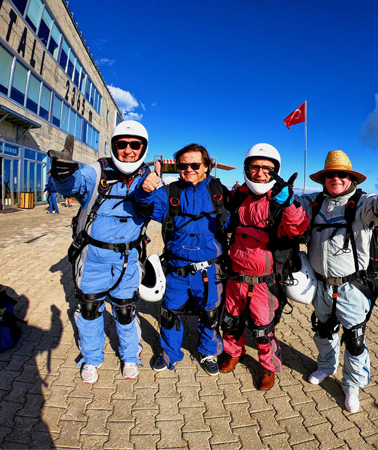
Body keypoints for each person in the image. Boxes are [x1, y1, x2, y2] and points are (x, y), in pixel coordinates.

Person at [295, 150, 378, 413]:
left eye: (342, 174)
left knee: (355, 339)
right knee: (324, 331)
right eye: (330, 175)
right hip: (321, 285)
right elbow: (289, 206)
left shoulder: (362, 203)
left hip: (352, 287)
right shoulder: (313, 202)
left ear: (351, 178)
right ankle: (326, 367)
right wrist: (279, 194)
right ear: (323, 179)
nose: (335, 179)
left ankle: (351, 384)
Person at [47, 121, 151, 384]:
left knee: (125, 311)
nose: (128, 150)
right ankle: (92, 358)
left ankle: (130, 355)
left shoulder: (148, 179)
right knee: (90, 309)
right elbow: (73, 185)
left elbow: (163, 209)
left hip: (127, 259)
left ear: (143, 148)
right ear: (114, 146)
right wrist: (62, 174)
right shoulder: (97, 170)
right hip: (93, 257)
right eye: (122, 144)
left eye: (135, 145)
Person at [219, 143, 309, 390]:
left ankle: (268, 366)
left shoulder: (280, 200)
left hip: (265, 281)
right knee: (231, 320)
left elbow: (299, 230)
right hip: (235, 276)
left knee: (263, 328)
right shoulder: (237, 197)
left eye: (267, 169)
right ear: (246, 169)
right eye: (255, 167)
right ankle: (233, 352)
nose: (260, 173)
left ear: (276, 171)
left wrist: (288, 204)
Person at [134, 143, 230, 376]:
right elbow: (148, 206)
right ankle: (169, 353)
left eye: (195, 165)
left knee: (210, 314)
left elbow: (238, 220)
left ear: (206, 166)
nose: (189, 169)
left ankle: (208, 352)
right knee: (169, 314)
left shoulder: (219, 193)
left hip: (209, 270)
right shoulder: (170, 192)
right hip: (176, 269)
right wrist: (144, 190)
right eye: (183, 165)